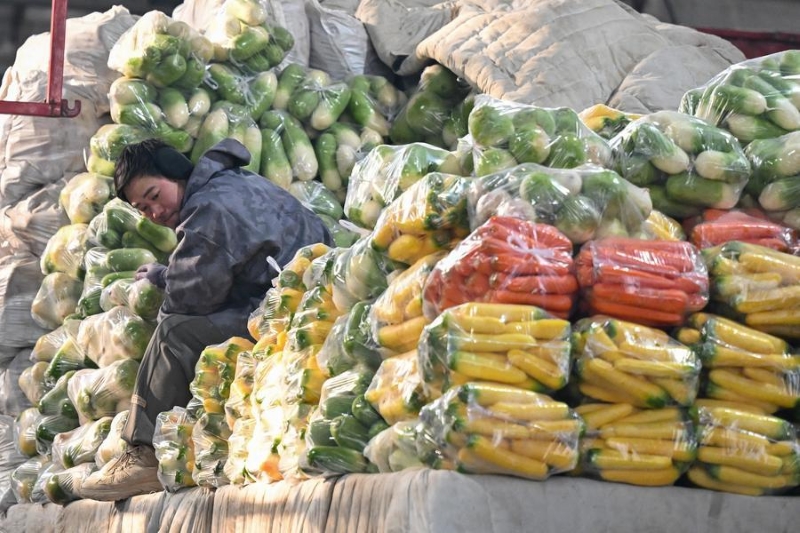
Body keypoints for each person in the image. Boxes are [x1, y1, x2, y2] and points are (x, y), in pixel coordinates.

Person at [80, 138, 332, 500]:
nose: (153, 211)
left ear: (175, 171)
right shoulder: (236, 182)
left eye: (154, 194)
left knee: (173, 333)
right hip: (304, 303)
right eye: (141, 207)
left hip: (283, 317)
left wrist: (159, 313)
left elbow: (191, 299)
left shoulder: (206, 211)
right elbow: (223, 260)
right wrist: (164, 274)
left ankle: (144, 454)